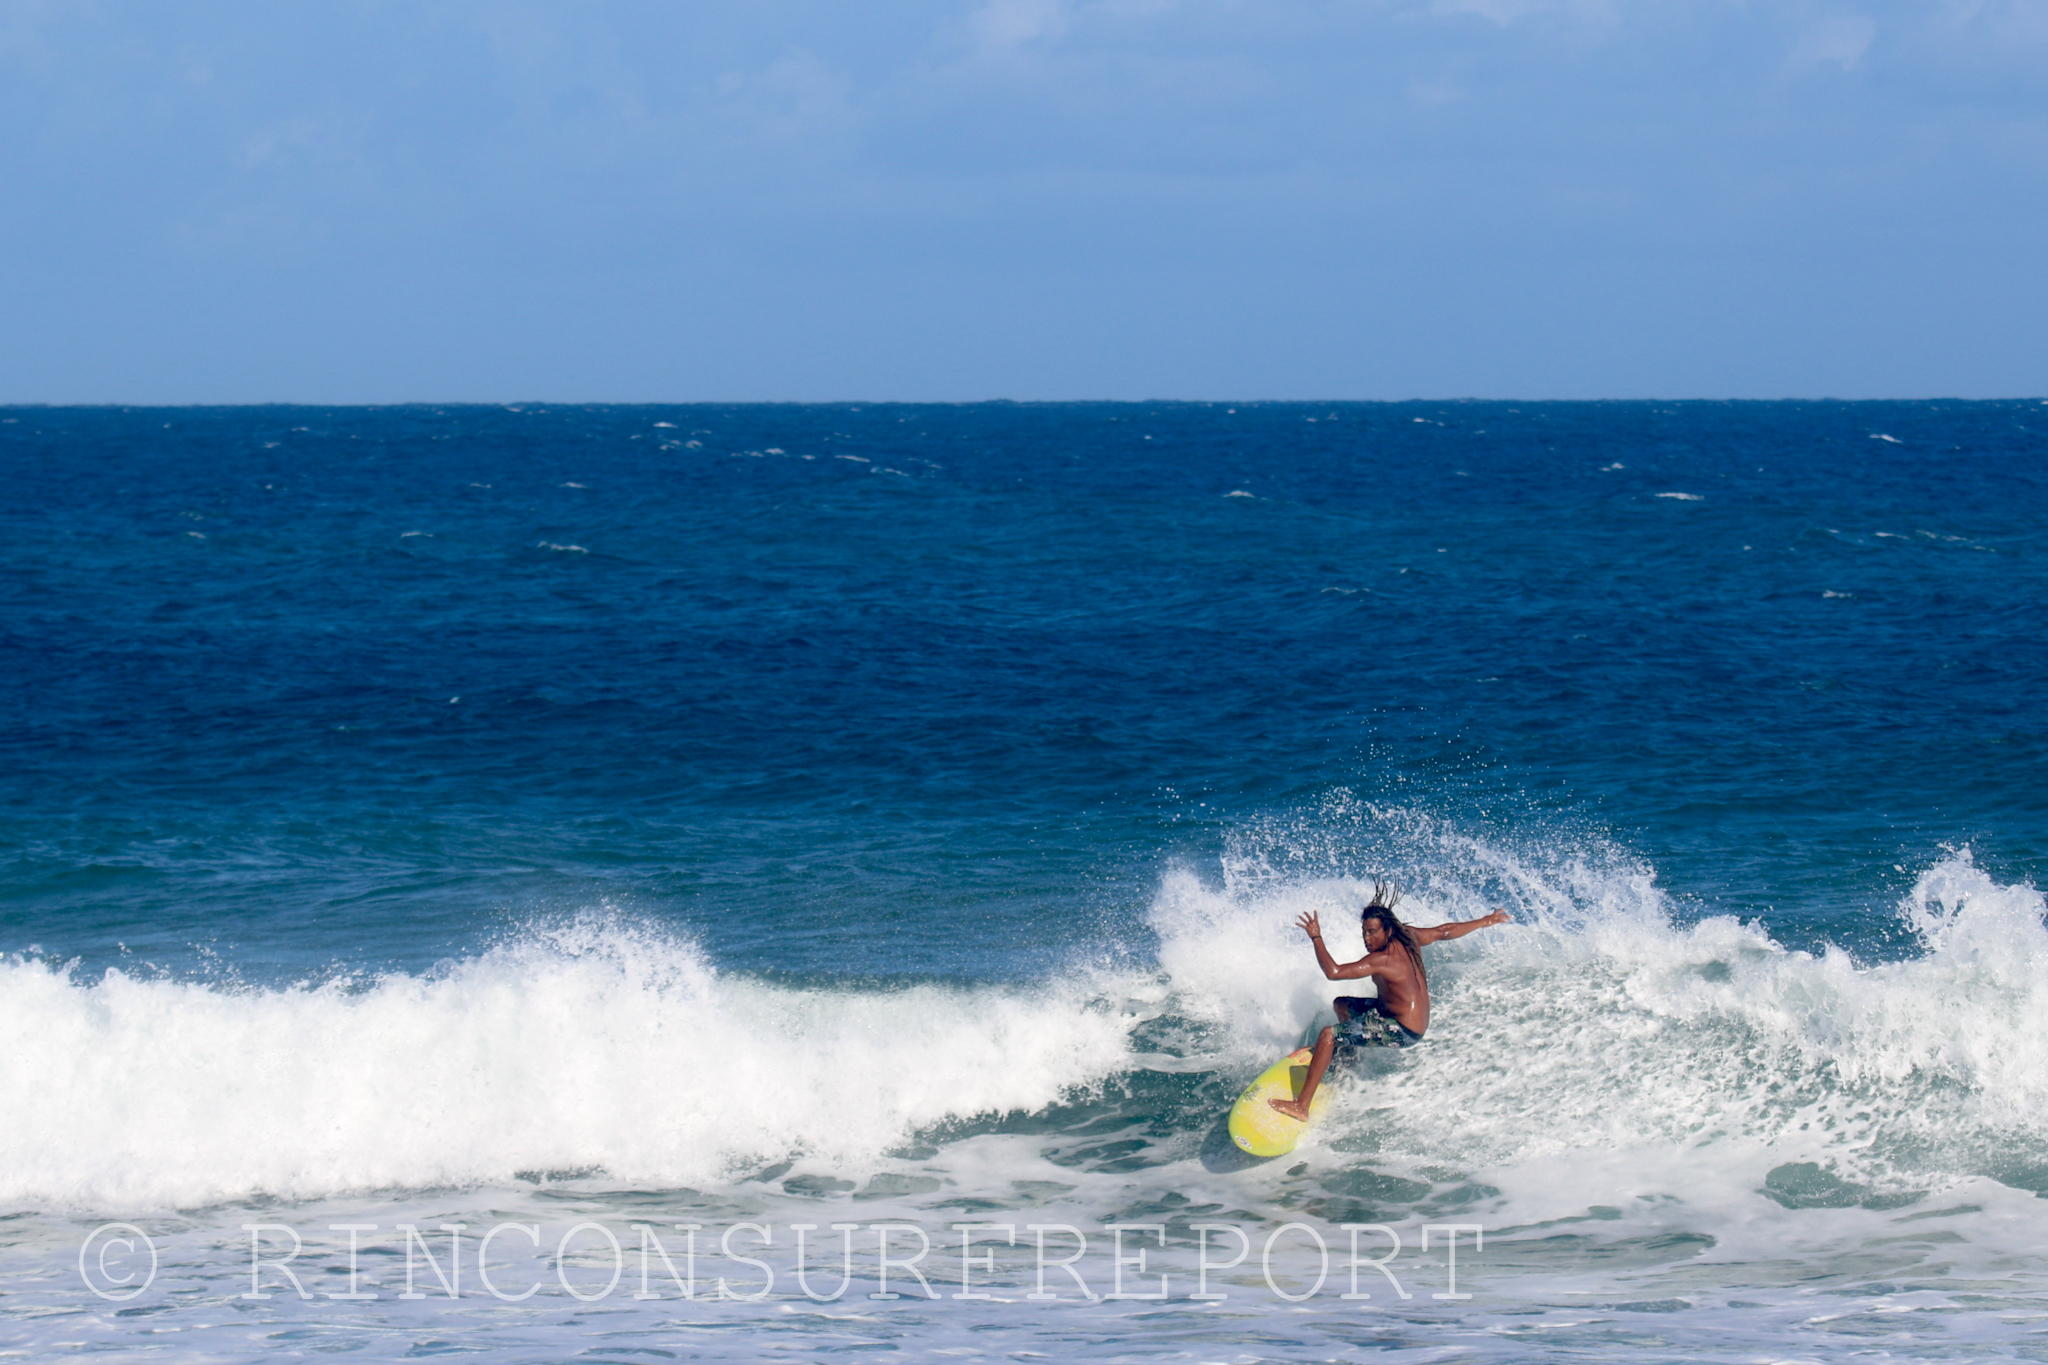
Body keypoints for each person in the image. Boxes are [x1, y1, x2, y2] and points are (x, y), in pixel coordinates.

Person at [1268, 882, 1509, 1120]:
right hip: (1395, 1013)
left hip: (1403, 1030)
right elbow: (1443, 932)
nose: (1366, 938)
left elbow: (1334, 972)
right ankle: (1348, 1057)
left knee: (1328, 1035)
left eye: (1372, 932)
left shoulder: (1384, 959)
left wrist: (1316, 937)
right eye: (1364, 932)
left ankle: (1301, 1106)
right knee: (1342, 1005)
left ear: (1387, 930)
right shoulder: (1408, 936)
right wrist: (1485, 920)